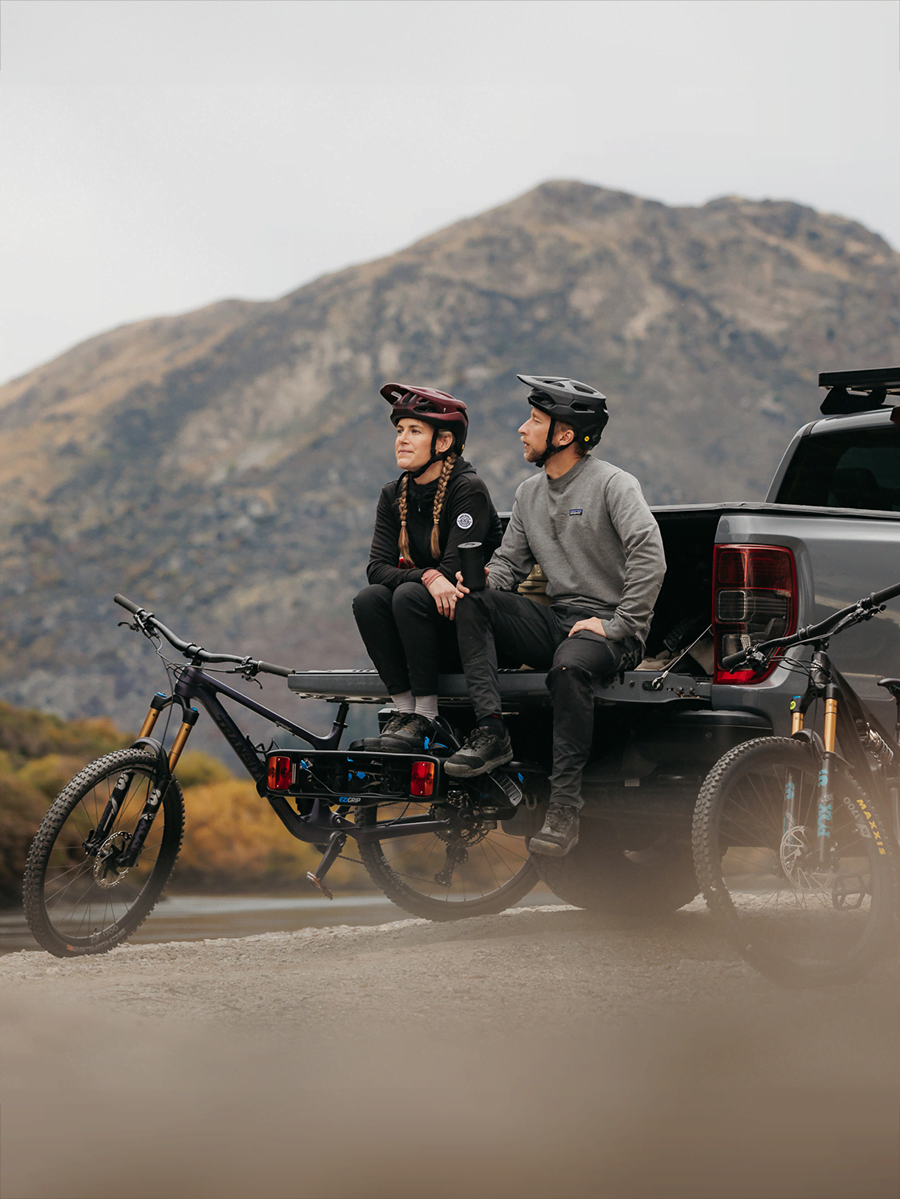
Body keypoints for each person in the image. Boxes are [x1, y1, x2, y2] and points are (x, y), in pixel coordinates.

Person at [445, 374, 666, 857]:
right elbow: (509, 564)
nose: (523, 429)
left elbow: (650, 552)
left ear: (564, 435)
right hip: (560, 620)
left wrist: (620, 624)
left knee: (568, 667)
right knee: (474, 602)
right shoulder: (528, 493)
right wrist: (478, 583)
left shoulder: (612, 483)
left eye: (535, 421)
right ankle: (493, 734)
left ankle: (565, 808)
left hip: (609, 631)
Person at [353, 383, 502, 751]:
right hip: (420, 620)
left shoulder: (469, 489)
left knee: (405, 594)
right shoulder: (393, 494)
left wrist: (432, 577)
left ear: (444, 441)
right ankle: (405, 713)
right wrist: (427, 574)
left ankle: (427, 717)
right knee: (369, 599)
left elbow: (454, 571)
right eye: (400, 430)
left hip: (469, 627)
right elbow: (376, 569)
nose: (401, 440)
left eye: (414, 431)